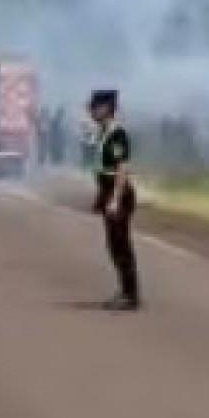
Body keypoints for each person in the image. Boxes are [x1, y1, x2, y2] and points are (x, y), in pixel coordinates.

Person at [88, 88, 140, 311]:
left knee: (121, 245)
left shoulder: (117, 134)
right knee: (114, 245)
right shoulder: (103, 132)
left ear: (107, 108)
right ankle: (126, 291)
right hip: (107, 191)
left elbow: (122, 168)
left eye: (95, 107)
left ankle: (130, 294)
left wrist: (115, 199)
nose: (92, 110)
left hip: (117, 192)